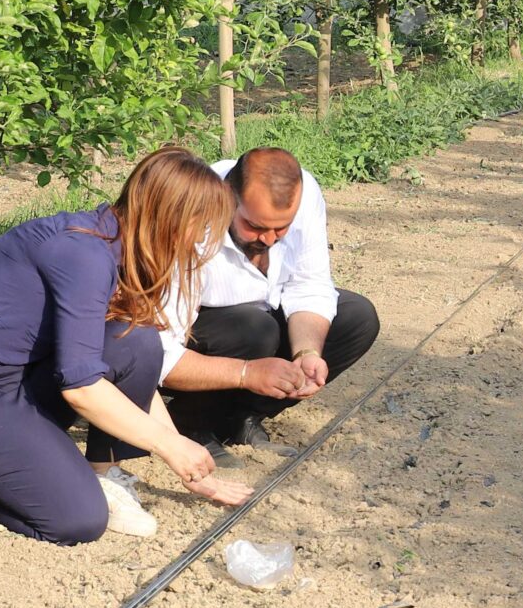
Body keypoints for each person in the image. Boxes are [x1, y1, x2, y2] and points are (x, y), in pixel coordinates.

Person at [0, 147, 251, 544]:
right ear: (170, 218)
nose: (200, 242)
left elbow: (132, 363)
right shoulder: (82, 254)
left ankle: (99, 475)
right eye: (200, 227)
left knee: (136, 341)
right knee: (77, 520)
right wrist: (171, 446)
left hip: (14, 382)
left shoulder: (113, 241)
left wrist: (185, 464)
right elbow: (82, 387)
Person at [157, 147, 382, 451]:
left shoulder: (305, 194)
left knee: (357, 317)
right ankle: (188, 421)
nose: (269, 239)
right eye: (255, 227)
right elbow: (160, 352)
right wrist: (247, 373)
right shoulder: (191, 214)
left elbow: (310, 284)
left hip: (261, 319)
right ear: (227, 196)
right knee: (255, 329)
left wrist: (306, 353)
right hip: (200, 329)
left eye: (281, 228)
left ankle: (240, 416)